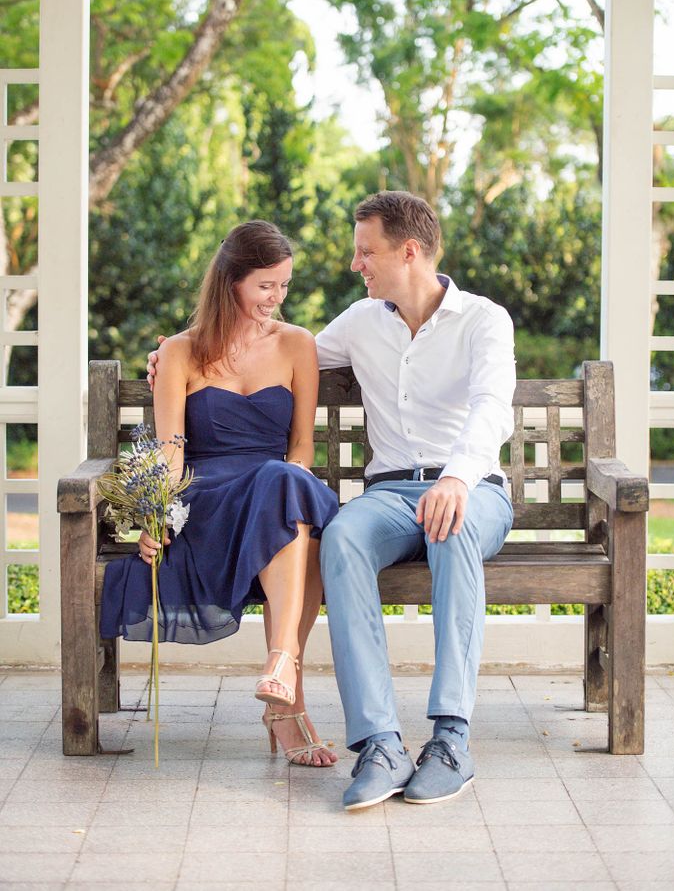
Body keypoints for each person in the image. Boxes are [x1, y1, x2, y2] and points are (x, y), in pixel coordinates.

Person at [148, 191, 515, 808]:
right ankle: (379, 742)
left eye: (365, 252)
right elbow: (272, 349)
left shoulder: (484, 319)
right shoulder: (361, 320)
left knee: (452, 529)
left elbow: (490, 409)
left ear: (410, 251)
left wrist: (456, 478)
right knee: (341, 535)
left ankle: (451, 738)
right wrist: (179, 352)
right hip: (392, 493)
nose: (355, 265)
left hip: (472, 488)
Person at [101, 220, 339, 768]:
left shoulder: (298, 344)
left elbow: (299, 448)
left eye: (284, 286)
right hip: (208, 501)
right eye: (265, 286)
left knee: (286, 485)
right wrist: (154, 516)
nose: (276, 298)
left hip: (276, 493)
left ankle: (281, 670)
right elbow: (171, 452)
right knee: (290, 503)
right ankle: (287, 703)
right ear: (231, 280)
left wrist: (284, 484)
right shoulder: (180, 352)